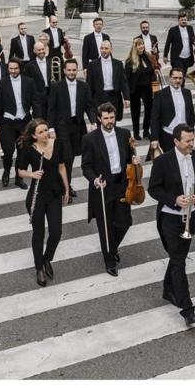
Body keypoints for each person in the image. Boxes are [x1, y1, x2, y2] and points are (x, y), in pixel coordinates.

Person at [148, 124, 195, 326]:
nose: (191, 144)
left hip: (192, 217)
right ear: (176, 141)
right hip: (171, 218)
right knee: (179, 260)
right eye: (187, 141)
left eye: (193, 139)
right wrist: (174, 199)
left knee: (178, 258)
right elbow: (153, 189)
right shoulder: (163, 161)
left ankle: (168, 290)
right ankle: (187, 308)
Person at [81, 103, 135, 276]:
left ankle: (112, 247)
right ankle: (109, 260)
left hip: (121, 184)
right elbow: (86, 166)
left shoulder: (124, 134)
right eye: (106, 118)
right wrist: (95, 180)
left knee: (125, 222)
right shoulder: (89, 139)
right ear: (99, 119)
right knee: (105, 227)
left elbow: (129, 156)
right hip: (102, 187)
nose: (110, 121)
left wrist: (135, 160)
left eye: (112, 118)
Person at [16, 118, 70, 286]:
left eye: (46, 130)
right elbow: (20, 171)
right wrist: (31, 175)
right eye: (40, 132)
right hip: (37, 196)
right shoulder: (28, 149)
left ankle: (47, 259)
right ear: (34, 135)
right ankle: (39, 268)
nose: (45, 134)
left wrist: (67, 189)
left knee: (56, 232)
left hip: (54, 194)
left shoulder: (57, 144)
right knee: (38, 234)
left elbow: (61, 167)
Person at [48, 57, 92, 198]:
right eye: (69, 70)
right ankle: (65, 188)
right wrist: (51, 129)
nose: (72, 73)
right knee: (67, 157)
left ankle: (66, 184)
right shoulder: (57, 86)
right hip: (62, 126)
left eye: (74, 70)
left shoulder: (84, 86)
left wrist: (93, 122)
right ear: (64, 70)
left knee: (72, 157)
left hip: (77, 125)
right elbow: (51, 109)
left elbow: (88, 106)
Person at [0, 58, 35, 187]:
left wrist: (38, 120)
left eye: (15, 68)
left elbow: (35, 101)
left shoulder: (29, 82)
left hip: (24, 121)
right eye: (10, 68)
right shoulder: (1, 83)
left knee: (22, 152)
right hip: (8, 122)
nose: (13, 71)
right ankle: (6, 170)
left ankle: (18, 178)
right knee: (8, 150)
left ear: (20, 68)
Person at [151, 66, 195, 155]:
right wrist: (154, 138)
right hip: (167, 135)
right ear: (170, 78)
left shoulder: (187, 93)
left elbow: (191, 114)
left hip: (184, 136)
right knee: (169, 163)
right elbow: (154, 117)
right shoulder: (160, 94)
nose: (178, 81)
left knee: (184, 160)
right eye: (175, 78)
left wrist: (190, 131)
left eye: (180, 78)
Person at [87, 39, 129, 118]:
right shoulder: (92, 65)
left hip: (114, 96)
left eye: (106, 48)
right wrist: (89, 101)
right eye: (102, 48)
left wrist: (127, 98)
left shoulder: (118, 64)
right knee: (100, 121)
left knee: (113, 121)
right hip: (99, 96)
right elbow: (89, 84)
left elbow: (123, 82)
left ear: (111, 49)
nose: (103, 50)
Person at [123, 36, 155, 139]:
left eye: (142, 44)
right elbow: (126, 79)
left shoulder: (147, 56)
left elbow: (152, 71)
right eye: (139, 45)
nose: (141, 46)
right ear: (135, 47)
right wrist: (126, 95)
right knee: (135, 112)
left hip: (147, 88)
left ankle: (146, 130)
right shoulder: (130, 61)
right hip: (135, 89)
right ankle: (136, 133)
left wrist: (155, 87)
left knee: (149, 110)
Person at [25, 39, 55, 115]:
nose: (41, 51)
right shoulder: (29, 66)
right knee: (39, 119)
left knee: (52, 117)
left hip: (51, 93)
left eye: (43, 49)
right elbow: (27, 84)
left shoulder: (52, 61)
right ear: (34, 51)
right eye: (39, 50)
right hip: (37, 97)